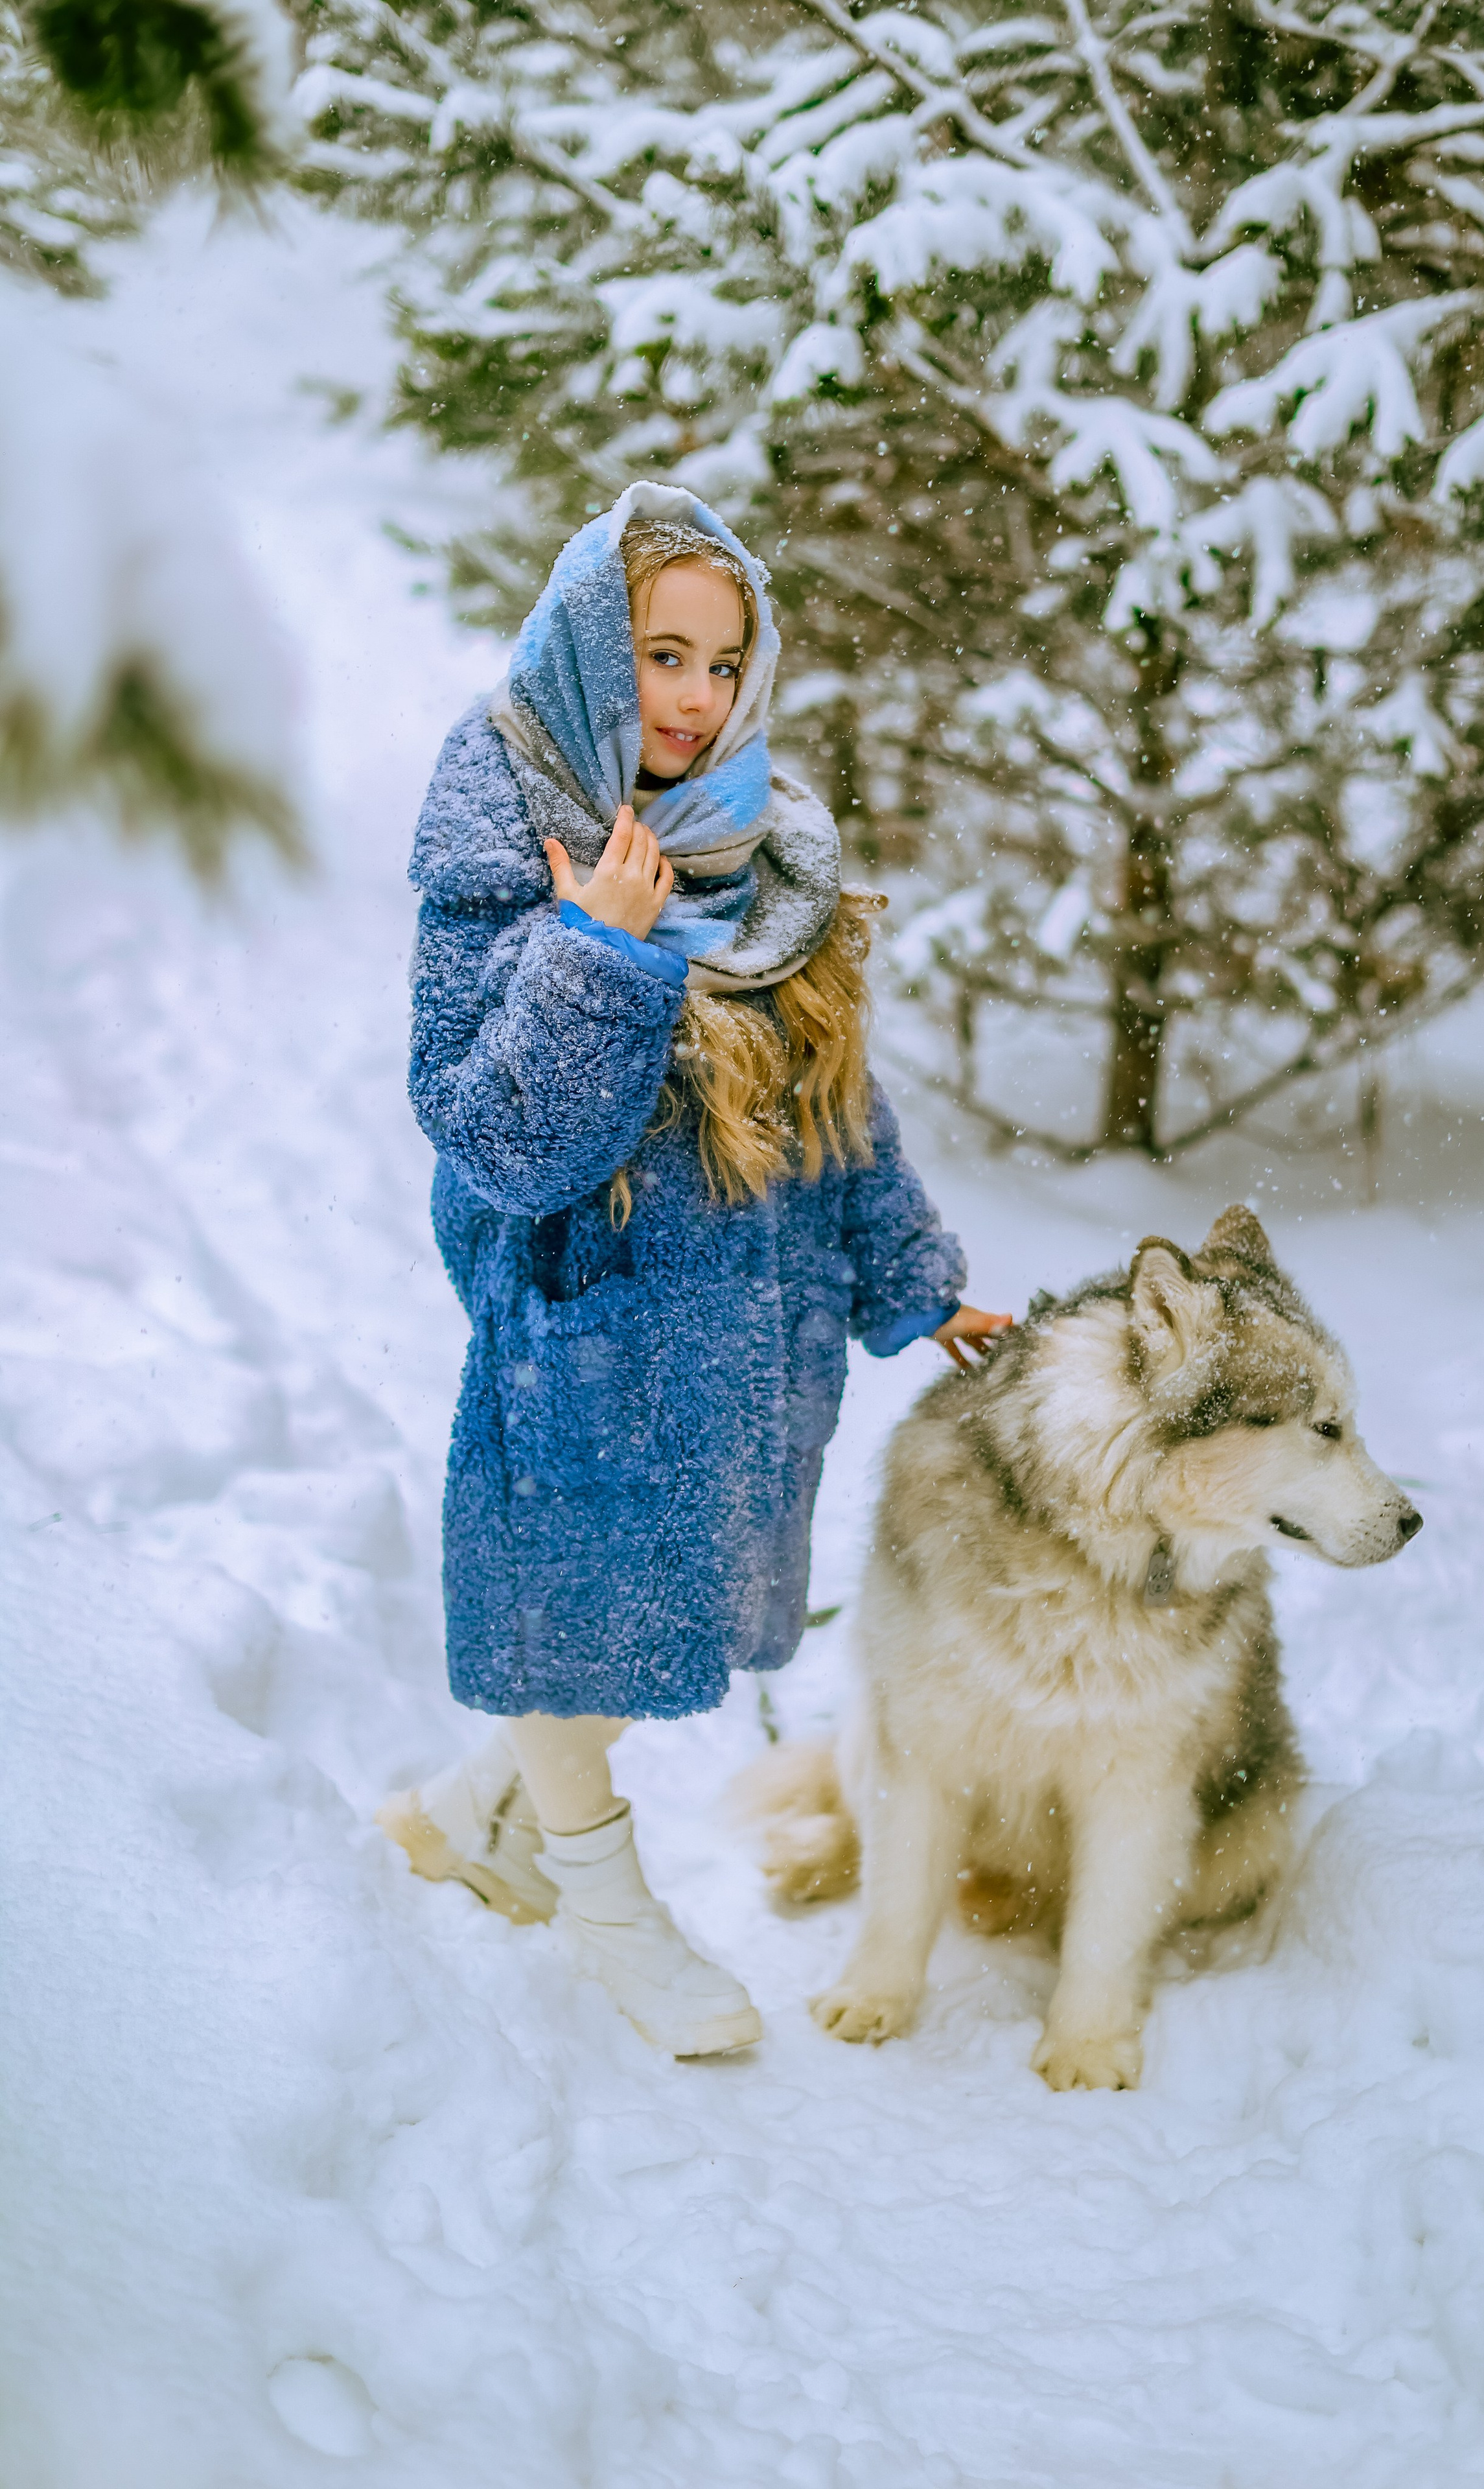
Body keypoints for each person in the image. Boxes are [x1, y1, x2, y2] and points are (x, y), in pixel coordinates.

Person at [378, 482, 1010, 2057]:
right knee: (580, 1624)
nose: (694, 699)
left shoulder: (763, 846)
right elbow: (498, 1144)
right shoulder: (500, 851)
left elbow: (831, 1108)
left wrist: (912, 1280)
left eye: (724, 667)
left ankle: (469, 1818)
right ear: (594, 652)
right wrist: (596, 953)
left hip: (744, 1344)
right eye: (661, 655)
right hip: (582, 1331)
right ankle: (608, 1908)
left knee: (667, 1619)